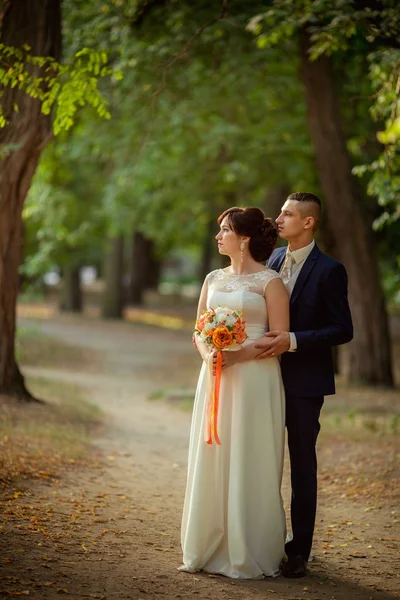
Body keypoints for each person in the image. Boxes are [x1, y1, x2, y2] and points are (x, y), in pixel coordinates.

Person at [179, 206, 289, 579]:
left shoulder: (270, 282)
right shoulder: (212, 278)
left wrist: (238, 357)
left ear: (243, 239)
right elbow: (197, 329)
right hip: (214, 375)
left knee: (248, 452)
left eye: (224, 230)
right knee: (214, 452)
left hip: (255, 377)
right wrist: (210, 353)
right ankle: (209, 543)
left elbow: (278, 338)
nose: (218, 236)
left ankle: (247, 547)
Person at [255, 192, 353, 578]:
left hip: (304, 383)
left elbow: (342, 330)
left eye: (287, 214)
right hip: (263, 378)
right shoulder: (273, 261)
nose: (278, 219)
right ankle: (261, 539)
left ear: (308, 222)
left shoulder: (330, 270)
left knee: (301, 465)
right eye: (280, 212)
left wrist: (293, 340)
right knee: (260, 458)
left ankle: (299, 551)